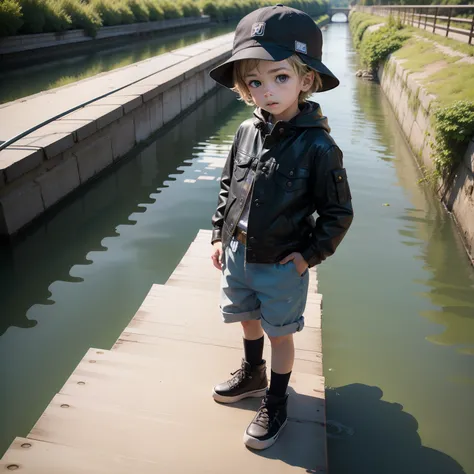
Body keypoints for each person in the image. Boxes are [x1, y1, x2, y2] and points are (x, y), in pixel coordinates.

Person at [209, 4, 354, 450]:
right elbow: (228, 186)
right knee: (246, 318)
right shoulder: (245, 133)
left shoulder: (319, 146)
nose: (266, 91)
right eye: (255, 81)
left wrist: (309, 255)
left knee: (280, 332)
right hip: (239, 252)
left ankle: (276, 398)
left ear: (306, 79)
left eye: (280, 78)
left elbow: (338, 213)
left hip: (281, 262)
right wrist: (220, 233)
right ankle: (252, 372)